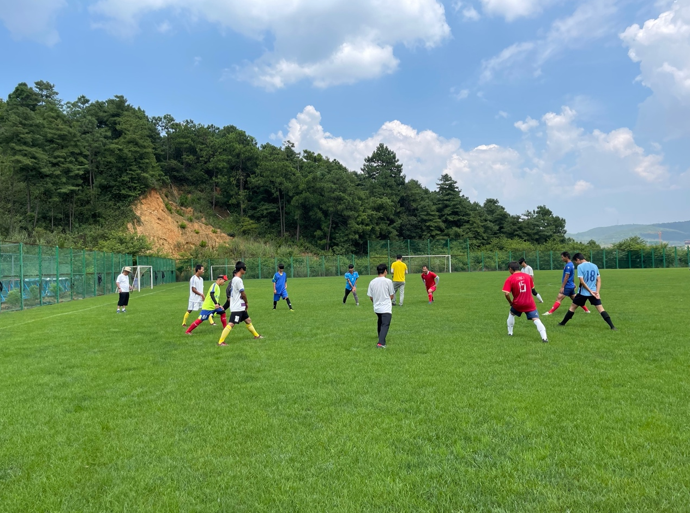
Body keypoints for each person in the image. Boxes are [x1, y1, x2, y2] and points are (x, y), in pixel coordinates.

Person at [558, 253, 617, 330]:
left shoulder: (580, 266)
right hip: (594, 293)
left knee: (572, 307)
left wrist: (590, 291)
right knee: (601, 309)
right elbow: (599, 280)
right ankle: (612, 326)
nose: (576, 263)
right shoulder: (594, 265)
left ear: (578, 259)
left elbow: (582, 282)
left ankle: (562, 323)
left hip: (583, 293)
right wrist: (597, 292)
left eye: (576, 261)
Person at [218, 261, 264, 345]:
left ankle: (256, 335)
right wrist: (246, 302)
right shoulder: (238, 280)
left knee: (248, 320)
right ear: (241, 269)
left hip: (240, 306)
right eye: (244, 268)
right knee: (231, 323)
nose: (245, 270)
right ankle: (221, 341)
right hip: (237, 307)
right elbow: (243, 293)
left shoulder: (234, 279)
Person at [503, 262, 548, 343]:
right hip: (529, 303)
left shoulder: (510, 279)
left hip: (517, 303)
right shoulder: (527, 276)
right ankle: (544, 338)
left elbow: (506, 294)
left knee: (512, 313)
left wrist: (510, 302)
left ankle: (510, 333)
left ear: (510, 269)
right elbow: (531, 288)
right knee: (536, 319)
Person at [367, 263, 395, 348]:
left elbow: (371, 297)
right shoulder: (388, 281)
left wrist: (376, 302)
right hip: (386, 307)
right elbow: (391, 295)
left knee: (380, 320)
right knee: (385, 324)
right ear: (385, 271)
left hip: (377, 307)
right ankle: (381, 343)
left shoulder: (372, 282)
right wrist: (386, 301)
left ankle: (380, 335)